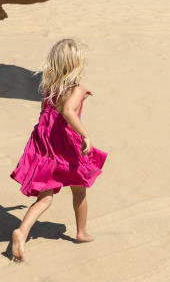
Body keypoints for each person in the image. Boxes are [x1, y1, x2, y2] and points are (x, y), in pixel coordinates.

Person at [9, 38, 107, 262]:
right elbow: (68, 112)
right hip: (67, 146)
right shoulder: (78, 89)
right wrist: (85, 135)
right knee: (79, 189)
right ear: (77, 65)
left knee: (45, 198)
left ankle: (22, 231)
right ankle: (81, 232)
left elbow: (46, 114)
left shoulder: (49, 88)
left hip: (46, 143)